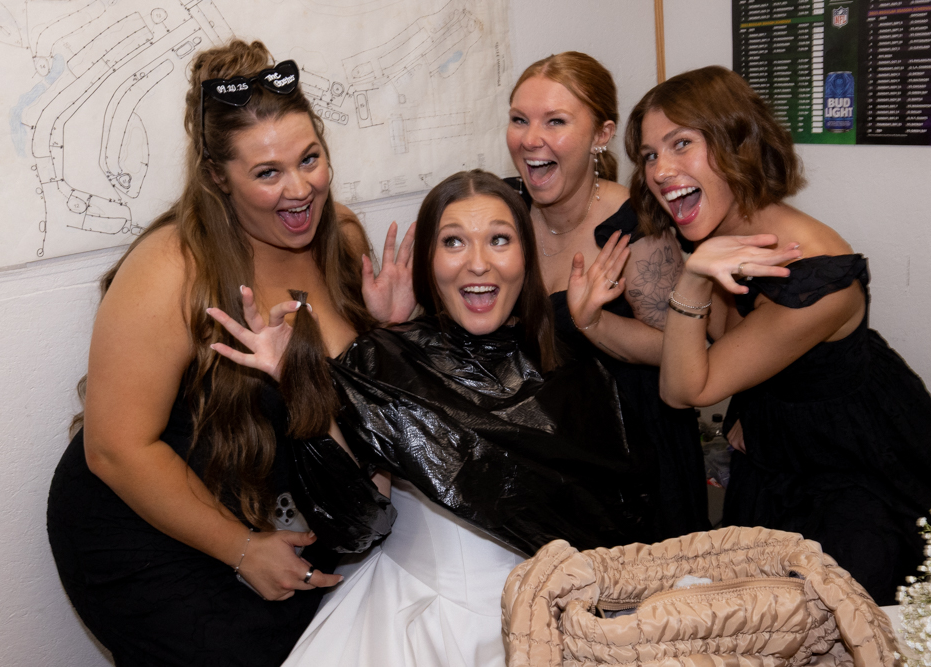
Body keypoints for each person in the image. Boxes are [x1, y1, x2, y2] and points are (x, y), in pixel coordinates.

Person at [209, 170, 664, 666]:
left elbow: (618, 523)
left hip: (556, 621)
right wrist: (299, 384)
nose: (477, 263)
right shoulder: (388, 362)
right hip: (414, 625)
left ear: (525, 256)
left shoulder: (577, 372)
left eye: (499, 239)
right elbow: (357, 522)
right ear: (429, 259)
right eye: (453, 242)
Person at [46, 40, 397, 666]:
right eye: (267, 173)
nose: (300, 189)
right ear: (217, 177)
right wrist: (240, 548)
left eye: (309, 158)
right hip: (148, 529)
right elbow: (114, 449)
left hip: (268, 508)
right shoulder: (171, 267)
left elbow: (356, 403)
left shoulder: (338, 235)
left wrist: (394, 330)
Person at [625, 65, 931, 606]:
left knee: (837, 619)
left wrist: (693, 278)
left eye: (681, 143)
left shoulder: (816, 277)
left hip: (853, 469)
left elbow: (685, 390)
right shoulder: (730, 232)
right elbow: (728, 342)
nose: (661, 170)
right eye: (649, 154)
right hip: (778, 449)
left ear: (738, 142)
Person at [505, 52, 708, 537]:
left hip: (635, 461)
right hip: (547, 455)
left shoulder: (636, 226)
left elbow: (683, 348)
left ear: (601, 134)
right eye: (519, 120)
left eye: (555, 121)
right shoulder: (505, 213)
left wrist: (595, 324)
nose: (530, 139)